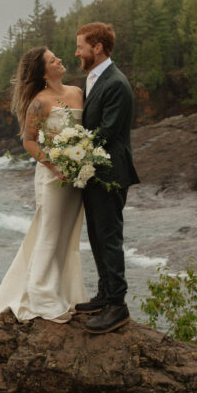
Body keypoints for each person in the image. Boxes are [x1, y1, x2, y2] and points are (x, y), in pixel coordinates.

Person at [0, 46, 88, 323]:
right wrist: (54, 165)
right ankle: (41, 297)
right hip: (53, 176)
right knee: (49, 233)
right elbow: (29, 141)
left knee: (68, 234)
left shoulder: (77, 92)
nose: (60, 59)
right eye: (53, 60)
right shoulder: (39, 102)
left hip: (78, 174)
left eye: (56, 56)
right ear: (42, 72)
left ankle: (64, 292)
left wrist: (84, 159)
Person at [73, 22, 139, 334]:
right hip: (94, 171)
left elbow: (108, 132)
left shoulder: (116, 83)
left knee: (109, 236)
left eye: (80, 46)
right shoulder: (94, 78)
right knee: (97, 234)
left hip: (110, 171)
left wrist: (71, 151)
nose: (77, 52)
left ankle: (118, 305)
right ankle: (104, 294)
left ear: (97, 48)